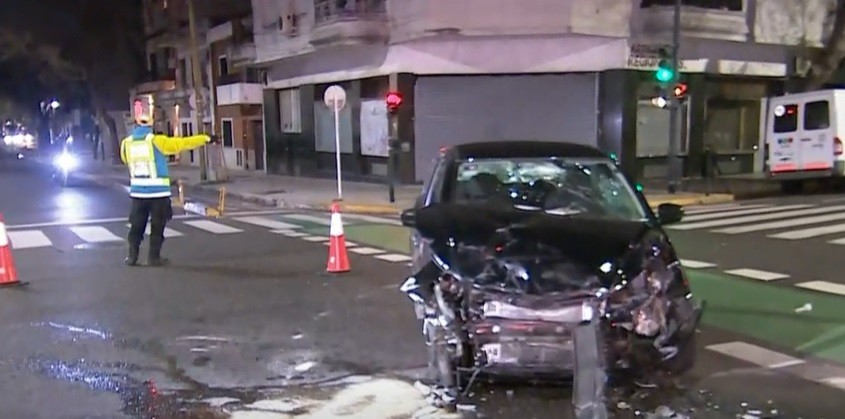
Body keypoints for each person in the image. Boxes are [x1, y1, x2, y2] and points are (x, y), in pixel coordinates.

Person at [120, 98, 212, 266]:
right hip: (158, 194)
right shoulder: (157, 141)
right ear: (151, 124)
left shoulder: (126, 143)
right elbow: (182, 144)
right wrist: (205, 138)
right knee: (157, 226)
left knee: (136, 225)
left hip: (138, 193)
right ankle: (153, 258)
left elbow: (125, 160)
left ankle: (132, 256)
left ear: (135, 124)